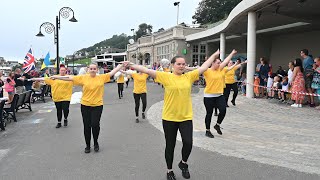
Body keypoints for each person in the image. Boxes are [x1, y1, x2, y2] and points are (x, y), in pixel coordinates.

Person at [128, 50, 220, 180]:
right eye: (179, 64)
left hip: (185, 117)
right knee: (170, 145)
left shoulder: (189, 76)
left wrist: (214, 55)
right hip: (169, 118)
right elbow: (146, 70)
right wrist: (130, 64)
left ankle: (183, 163)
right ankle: (169, 170)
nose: (182, 66)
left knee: (188, 143)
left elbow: (204, 67)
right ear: (172, 65)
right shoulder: (166, 76)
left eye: (183, 64)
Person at [51, 62, 127, 153]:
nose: (92, 70)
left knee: (95, 125)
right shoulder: (83, 78)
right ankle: (87, 145)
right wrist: (56, 77)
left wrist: (121, 65)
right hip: (85, 105)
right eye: (91, 68)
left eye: (94, 68)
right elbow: (69, 78)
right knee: (87, 126)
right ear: (88, 70)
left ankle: (95, 142)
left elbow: (112, 73)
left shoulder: (101, 77)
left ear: (97, 70)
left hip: (97, 105)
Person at [203, 50, 237, 139]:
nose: (220, 64)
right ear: (212, 63)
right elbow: (196, 69)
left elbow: (226, 61)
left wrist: (232, 53)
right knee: (209, 113)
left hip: (219, 95)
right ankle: (207, 130)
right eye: (218, 63)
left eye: (220, 63)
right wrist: (185, 68)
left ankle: (217, 125)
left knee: (223, 110)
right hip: (209, 96)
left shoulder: (221, 69)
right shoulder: (207, 71)